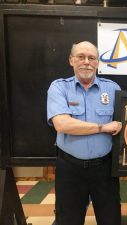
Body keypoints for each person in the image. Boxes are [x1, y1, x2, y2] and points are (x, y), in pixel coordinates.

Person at [47, 41, 122, 225]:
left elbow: (123, 129)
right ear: (71, 60)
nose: (86, 62)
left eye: (92, 58)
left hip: (104, 170)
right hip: (70, 169)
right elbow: (62, 124)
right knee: (68, 220)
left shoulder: (113, 89)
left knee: (111, 219)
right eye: (81, 57)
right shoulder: (59, 87)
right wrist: (102, 127)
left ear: (97, 63)